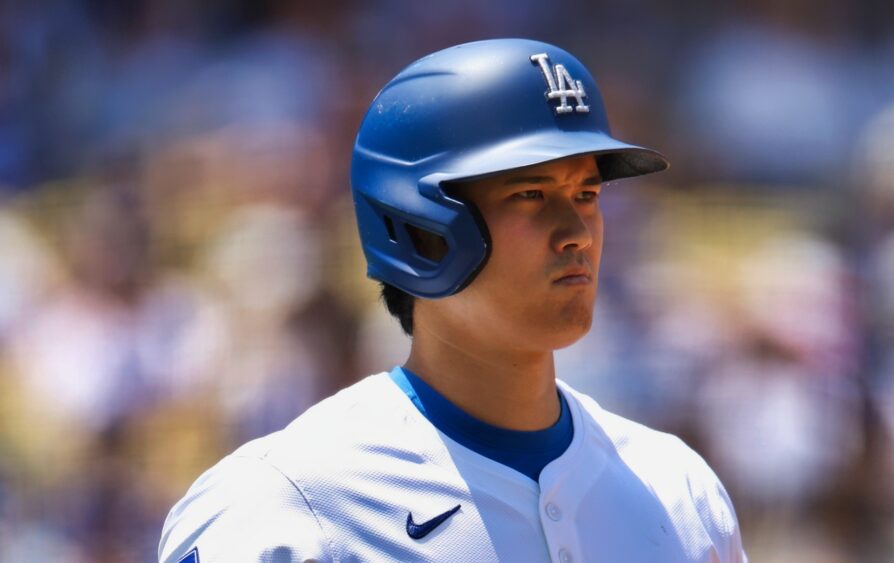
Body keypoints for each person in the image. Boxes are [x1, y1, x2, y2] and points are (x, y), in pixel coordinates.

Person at [158, 38, 747, 563]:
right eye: (530, 193)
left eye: (587, 191)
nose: (578, 231)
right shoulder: (289, 505)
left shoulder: (677, 490)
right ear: (420, 225)